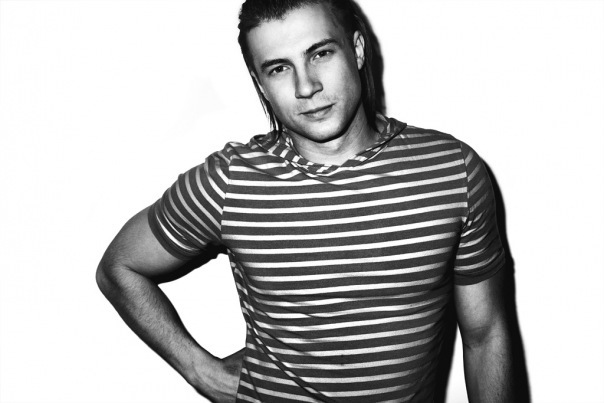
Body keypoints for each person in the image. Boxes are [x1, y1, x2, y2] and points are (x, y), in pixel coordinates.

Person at [96, 0, 514, 401]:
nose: (306, 86)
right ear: (260, 83)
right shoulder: (229, 182)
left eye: (320, 54)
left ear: (357, 49)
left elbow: (486, 333)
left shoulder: (451, 170)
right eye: (279, 68)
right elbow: (119, 268)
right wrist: (201, 372)